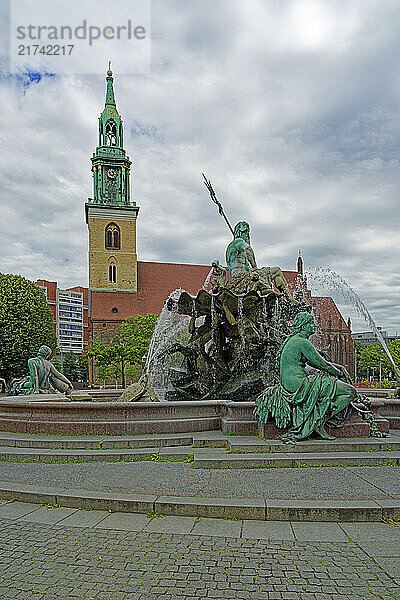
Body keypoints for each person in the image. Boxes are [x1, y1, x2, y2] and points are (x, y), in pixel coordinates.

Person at [255, 312, 359, 443]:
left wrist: (339, 367)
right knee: (350, 392)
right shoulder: (302, 342)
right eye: (311, 323)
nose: (314, 326)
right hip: (299, 384)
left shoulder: (293, 340)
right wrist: (340, 373)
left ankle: (318, 416)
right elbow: (323, 365)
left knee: (330, 386)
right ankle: (318, 421)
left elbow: (316, 362)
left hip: (292, 383)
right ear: (304, 326)